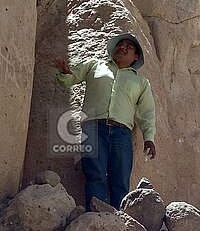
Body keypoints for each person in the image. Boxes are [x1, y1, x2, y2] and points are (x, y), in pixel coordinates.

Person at [53, 33, 156, 210]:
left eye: (128, 47)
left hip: (122, 133)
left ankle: (120, 223)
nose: (123, 48)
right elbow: (71, 77)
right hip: (93, 128)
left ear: (136, 57)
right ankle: (96, 217)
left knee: (121, 178)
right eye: (120, 45)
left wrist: (149, 138)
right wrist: (64, 72)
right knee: (95, 173)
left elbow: (147, 112)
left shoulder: (141, 82)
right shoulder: (94, 65)